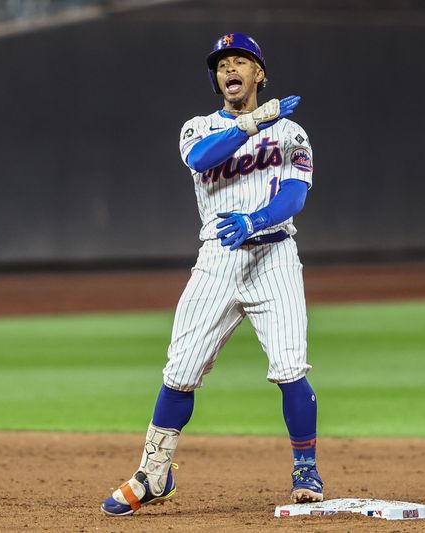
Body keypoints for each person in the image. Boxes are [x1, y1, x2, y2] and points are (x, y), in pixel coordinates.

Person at [101, 32, 321, 517]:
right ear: (216, 77)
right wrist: (258, 119)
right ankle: (154, 473)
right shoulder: (197, 127)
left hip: (275, 257)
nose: (230, 70)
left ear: (259, 73)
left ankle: (305, 468)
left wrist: (258, 220)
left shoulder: (291, 133)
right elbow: (202, 159)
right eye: (223, 64)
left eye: (241, 61)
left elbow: (295, 196)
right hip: (216, 263)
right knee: (179, 373)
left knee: (290, 368)